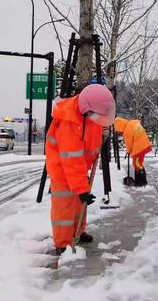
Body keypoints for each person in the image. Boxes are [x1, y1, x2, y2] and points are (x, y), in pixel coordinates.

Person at [45, 84, 116, 255]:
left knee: (78, 203)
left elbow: (99, 123)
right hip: (63, 169)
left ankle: (78, 230)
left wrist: (104, 132)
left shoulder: (88, 113)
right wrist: (81, 189)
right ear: (87, 110)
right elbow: (71, 160)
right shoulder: (69, 123)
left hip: (79, 167)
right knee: (65, 205)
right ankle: (62, 243)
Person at [114, 117, 152, 186]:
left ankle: (142, 181)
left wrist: (128, 151)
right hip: (142, 145)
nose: (120, 132)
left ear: (120, 126)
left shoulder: (127, 130)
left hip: (139, 147)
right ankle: (139, 180)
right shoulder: (131, 123)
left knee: (137, 164)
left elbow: (129, 143)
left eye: (119, 130)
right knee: (137, 163)